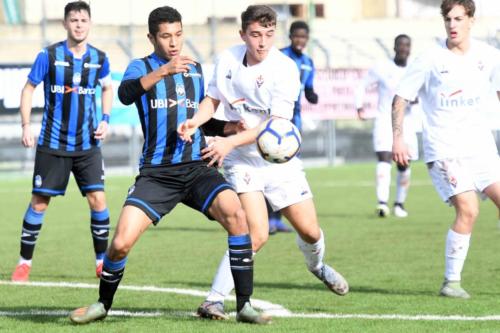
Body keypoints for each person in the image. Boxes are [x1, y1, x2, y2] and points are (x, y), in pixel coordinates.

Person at [69, 6, 269, 325]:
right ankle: (103, 305)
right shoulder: (140, 67)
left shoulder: (195, 69)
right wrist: (164, 71)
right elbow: (125, 94)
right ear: (152, 38)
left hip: (196, 167)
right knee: (119, 244)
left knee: (236, 215)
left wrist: (229, 129)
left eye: (178, 35)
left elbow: (204, 119)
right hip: (157, 175)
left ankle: (244, 305)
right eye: (165, 36)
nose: (174, 42)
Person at [178, 5, 348, 321]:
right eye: (256, 35)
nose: (262, 42)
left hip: (278, 161)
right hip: (243, 162)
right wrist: (194, 121)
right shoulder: (227, 59)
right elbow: (212, 100)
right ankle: (214, 300)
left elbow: (273, 128)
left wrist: (227, 141)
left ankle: (317, 266)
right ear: (243, 34)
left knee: (310, 232)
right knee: (255, 234)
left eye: (269, 35)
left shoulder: (285, 69)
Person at [392, 0, 500, 299]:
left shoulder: (490, 57)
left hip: (481, 149)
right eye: (447, 19)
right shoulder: (429, 59)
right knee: (469, 209)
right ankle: (451, 282)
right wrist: (398, 138)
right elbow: (400, 98)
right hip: (445, 149)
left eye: (458, 18)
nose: (452, 25)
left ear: (471, 21)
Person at [12, 0, 113, 282]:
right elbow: (28, 89)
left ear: (89, 24)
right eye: (74, 20)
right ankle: (24, 263)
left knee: (98, 200)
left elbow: (107, 88)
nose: (79, 24)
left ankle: (101, 262)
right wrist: (26, 125)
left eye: (83, 20)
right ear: (65, 24)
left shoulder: (100, 58)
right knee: (40, 202)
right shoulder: (49, 55)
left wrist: (105, 118)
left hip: (87, 145)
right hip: (53, 143)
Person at [261, 20, 320, 234]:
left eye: (303, 37)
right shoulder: (279, 57)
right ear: (290, 36)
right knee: (269, 169)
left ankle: (275, 219)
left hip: (294, 127)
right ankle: (265, 219)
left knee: (283, 172)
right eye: (297, 36)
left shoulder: (307, 62)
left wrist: (312, 95)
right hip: (274, 124)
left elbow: (308, 88)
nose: (300, 40)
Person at [355, 34, 418, 218]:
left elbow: (424, 91)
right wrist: (359, 106)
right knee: (384, 159)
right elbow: (362, 85)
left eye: (407, 45)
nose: (403, 49)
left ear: (410, 48)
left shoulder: (415, 69)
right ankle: (382, 203)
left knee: (404, 164)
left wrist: (418, 102)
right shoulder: (382, 67)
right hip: (384, 120)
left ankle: (399, 203)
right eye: (400, 45)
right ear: (394, 47)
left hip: (407, 124)